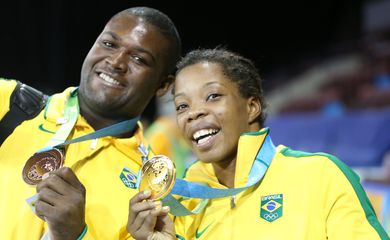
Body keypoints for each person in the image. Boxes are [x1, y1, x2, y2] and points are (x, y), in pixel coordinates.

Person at [127, 48, 389, 239]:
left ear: (251, 107)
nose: (193, 113)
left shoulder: (320, 176)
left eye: (213, 96)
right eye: (182, 105)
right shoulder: (184, 201)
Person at [0, 6, 181, 240]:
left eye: (139, 59)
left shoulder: (152, 193)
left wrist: (75, 235)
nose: (116, 62)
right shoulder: (10, 104)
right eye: (109, 44)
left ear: (163, 85)